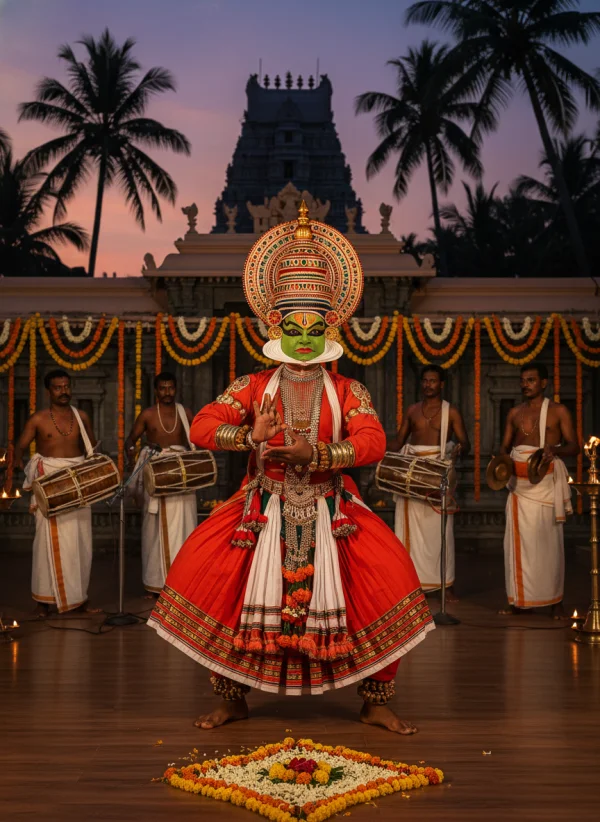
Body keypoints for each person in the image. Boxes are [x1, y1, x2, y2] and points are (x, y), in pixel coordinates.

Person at [148, 202, 434, 734]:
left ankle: (375, 700)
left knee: (387, 586)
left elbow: (372, 441)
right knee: (225, 590)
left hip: (332, 504)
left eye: (315, 326)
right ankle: (233, 698)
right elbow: (202, 426)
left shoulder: (348, 389)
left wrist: (321, 456)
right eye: (295, 326)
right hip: (264, 505)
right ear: (276, 324)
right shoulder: (253, 386)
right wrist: (247, 436)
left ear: (330, 326)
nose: (304, 337)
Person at [14, 369, 101, 617]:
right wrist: (26, 473)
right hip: (50, 486)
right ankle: (43, 602)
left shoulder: (81, 416)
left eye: (66, 386)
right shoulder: (38, 419)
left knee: (80, 543)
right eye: (58, 387)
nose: (64, 391)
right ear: (48, 390)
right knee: (44, 545)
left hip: (78, 485)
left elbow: (91, 450)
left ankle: (79, 600)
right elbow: (19, 448)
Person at [498, 362, 579, 619]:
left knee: (549, 545)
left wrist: (554, 450)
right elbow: (504, 449)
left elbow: (574, 446)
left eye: (531, 380)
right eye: (523, 380)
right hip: (519, 487)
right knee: (516, 545)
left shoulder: (558, 411)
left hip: (545, 484)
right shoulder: (514, 413)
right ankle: (518, 601)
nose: (526, 384)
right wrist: (500, 464)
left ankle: (555, 602)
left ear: (544, 382)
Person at [394, 365, 469, 601]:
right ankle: (411, 582)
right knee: (412, 533)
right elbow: (398, 442)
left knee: (441, 531)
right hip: (413, 474)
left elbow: (465, 443)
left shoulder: (452, 412)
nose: (428, 385)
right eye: (425, 380)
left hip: (437, 473)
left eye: (433, 381)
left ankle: (446, 584)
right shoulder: (413, 411)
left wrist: (458, 449)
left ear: (442, 384)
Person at [125, 372, 196, 597]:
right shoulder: (147, 415)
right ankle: (155, 585)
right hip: (155, 474)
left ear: (176, 389)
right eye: (162, 388)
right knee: (153, 531)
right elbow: (130, 441)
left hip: (181, 475)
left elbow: (197, 440)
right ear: (156, 391)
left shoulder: (184, 413)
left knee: (184, 529)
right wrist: (131, 457)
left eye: (170, 388)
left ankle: (181, 584)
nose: (167, 392)